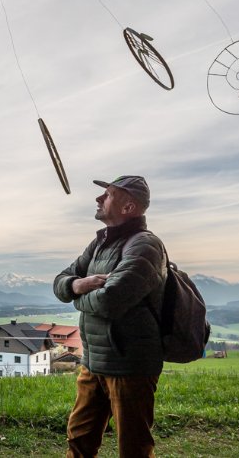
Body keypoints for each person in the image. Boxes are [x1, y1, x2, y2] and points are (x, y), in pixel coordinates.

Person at [53, 175, 167, 458]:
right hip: (93, 362)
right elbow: (61, 281)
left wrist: (76, 298)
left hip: (130, 366)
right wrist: (76, 285)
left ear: (128, 206)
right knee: (79, 440)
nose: (98, 198)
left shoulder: (146, 246)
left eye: (108, 194)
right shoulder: (100, 244)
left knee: (134, 447)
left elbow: (110, 301)